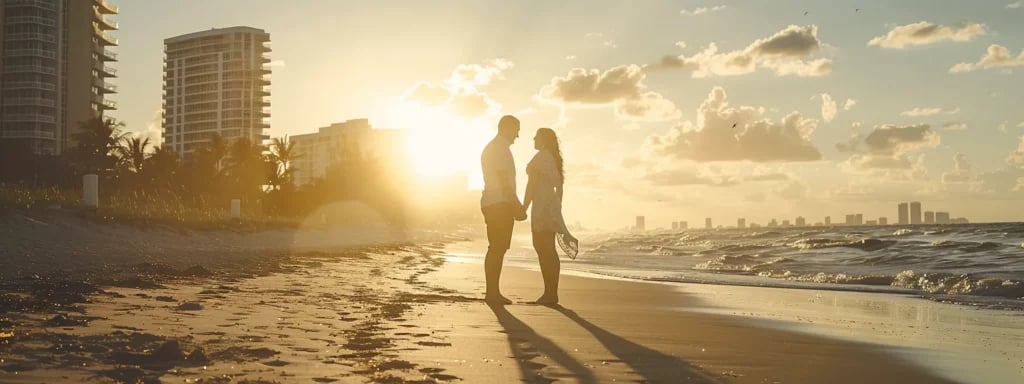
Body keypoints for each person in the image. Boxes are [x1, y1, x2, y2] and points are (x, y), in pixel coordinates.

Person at [522, 128, 578, 305]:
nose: (533, 139)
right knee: (548, 249)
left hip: (542, 207)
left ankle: (550, 294)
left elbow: (531, 185)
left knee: (543, 249)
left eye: (536, 136)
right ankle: (551, 293)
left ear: (543, 139)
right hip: (549, 206)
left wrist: (523, 207)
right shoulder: (551, 158)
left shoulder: (541, 158)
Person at [480, 115, 527, 305]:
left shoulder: (498, 148)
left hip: (496, 202)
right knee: (497, 248)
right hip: (499, 203)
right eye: (516, 129)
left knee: (497, 248)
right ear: (505, 128)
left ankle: (492, 291)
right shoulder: (498, 149)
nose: (518, 135)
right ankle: (492, 293)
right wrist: (517, 205)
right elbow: (504, 182)